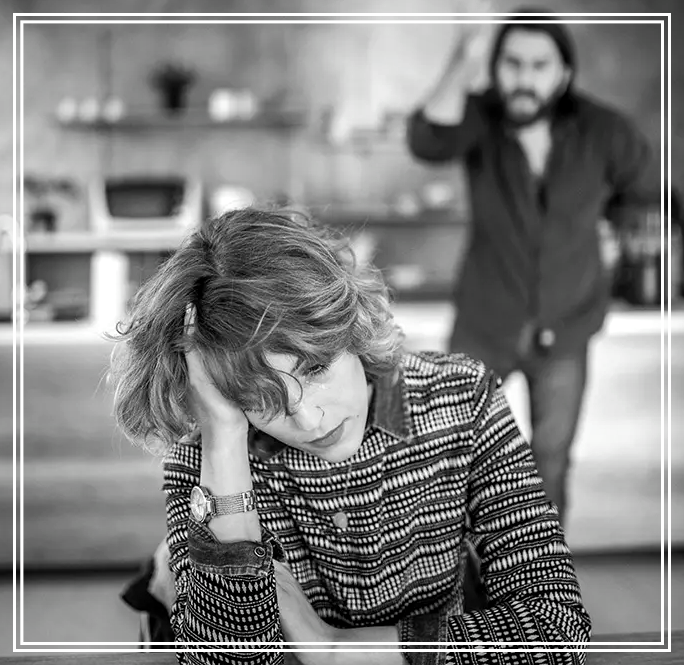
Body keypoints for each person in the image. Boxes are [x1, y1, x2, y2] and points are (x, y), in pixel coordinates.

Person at [110, 207, 591, 664]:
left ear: (352, 323)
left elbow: (557, 629)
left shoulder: (461, 397)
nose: (309, 420)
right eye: (262, 400)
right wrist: (222, 442)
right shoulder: (208, 458)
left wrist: (334, 649)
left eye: (316, 368)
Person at [406, 9, 660, 524]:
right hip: (484, 322)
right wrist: (463, 57)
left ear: (564, 73)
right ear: (495, 67)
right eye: (512, 63)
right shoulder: (478, 118)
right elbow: (427, 141)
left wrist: (623, 232)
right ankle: (460, 573)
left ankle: (542, 573)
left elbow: (650, 195)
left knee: (551, 464)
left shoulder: (603, 130)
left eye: (539, 65)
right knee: (451, 458)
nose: (524, 78)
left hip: (567, 326)